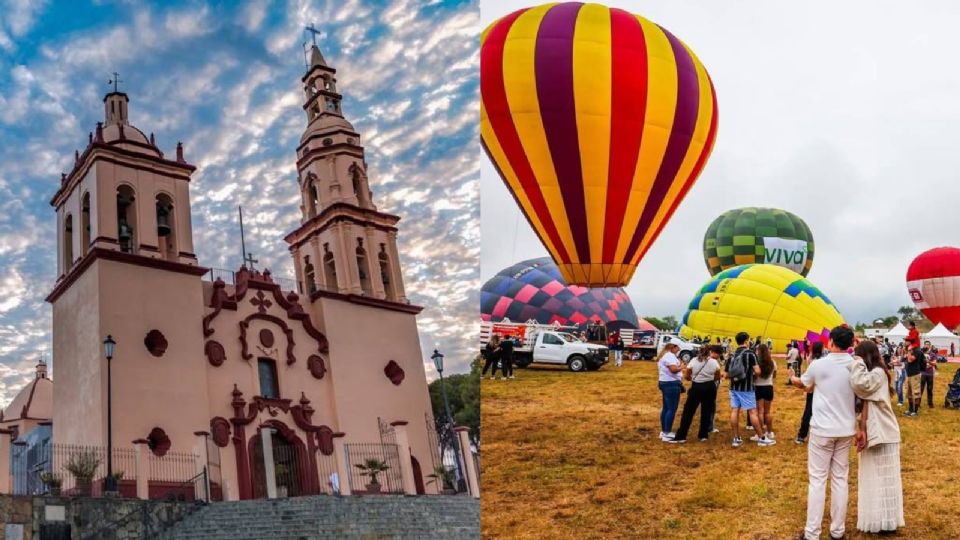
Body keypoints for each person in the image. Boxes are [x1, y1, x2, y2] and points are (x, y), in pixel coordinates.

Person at [788, 325, 857, 540]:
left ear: (831, 342)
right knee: (840, 479)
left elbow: (804, 385)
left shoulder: (819, 365)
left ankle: (812, 533)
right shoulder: (855, 365)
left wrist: (793, 378)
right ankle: (837, 531)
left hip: (822, 430)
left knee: (818, 480)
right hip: (846, 429)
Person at [850, 340, 904, 534]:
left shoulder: (878, 373)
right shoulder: (875, 373)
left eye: (858, 355)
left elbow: (860, 384)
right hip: (875, 431)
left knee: (886, 480)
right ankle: (877, 520)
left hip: (883, 432)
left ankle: (887, 522)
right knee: (873, 478)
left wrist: (856, 362)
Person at [725, 332, 774, 447]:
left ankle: (736, 438)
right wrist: (751, 375)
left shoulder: (731, 355)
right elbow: (757, 371)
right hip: (747, 388)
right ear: (746, 341)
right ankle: (761, 437)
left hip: (734, 387)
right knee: (753, 412)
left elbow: (726, 374)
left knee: (735, 411)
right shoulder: (750, 354)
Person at [669, 345, 722, 443]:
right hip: (710, 387)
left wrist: (694, 379)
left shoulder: (694, 361)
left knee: (688, 412)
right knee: (706, 411)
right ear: (709, 352)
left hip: (697, 386)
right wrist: (709, 378)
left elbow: (687, 375)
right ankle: (703, 435)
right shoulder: (714, 362)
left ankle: (682, 435)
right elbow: (717, 376)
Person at [795, 341, 825, 444]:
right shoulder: (820, 361)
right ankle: (804, 435)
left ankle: (802, 435)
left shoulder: (811, 359)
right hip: (818, 389)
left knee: (808, 411)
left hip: (812, 388)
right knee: (811, 412)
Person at [657, 343, 684, 441]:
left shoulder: (665, 355)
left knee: (666, 408)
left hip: (665, 382)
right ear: (673, 347)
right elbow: (673, 370)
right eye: (678, 348)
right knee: (671, 409)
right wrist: (682, 367)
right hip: (671, 383)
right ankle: (667, 433)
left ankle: (664, 431)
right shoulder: (670, 356)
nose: (679, 350)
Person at [753, 343, 777, 441]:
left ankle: (761, 434)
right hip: (768, 387)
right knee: (767, 412)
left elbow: (754, 376)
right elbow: (774, 375)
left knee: (760, 412)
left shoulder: (756, 363)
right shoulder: (773, 362)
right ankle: (770, 432)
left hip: (758, 388)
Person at [904, 344, 924, 416]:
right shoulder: (911, 350)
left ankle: (915, 411)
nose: (905, 342)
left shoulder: (917, 351)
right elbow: (905, 360)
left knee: (916, 393)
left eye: (906, 340)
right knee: (909, 393)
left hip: (915, 374)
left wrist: (909, 350)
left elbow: (910, 360)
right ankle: (910, 409)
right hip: (909, 374)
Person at [920, 343, 937, 408]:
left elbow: (934, 363)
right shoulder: (921, 353)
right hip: (923, 373)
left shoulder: (933, 354)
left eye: (928, 344)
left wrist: (929, 362)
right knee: (921, 388)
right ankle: (918, 403)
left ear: (930, 346)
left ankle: (930, 403)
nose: (926, 345)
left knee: (930, 389)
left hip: (930, 373)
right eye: (925, 344)